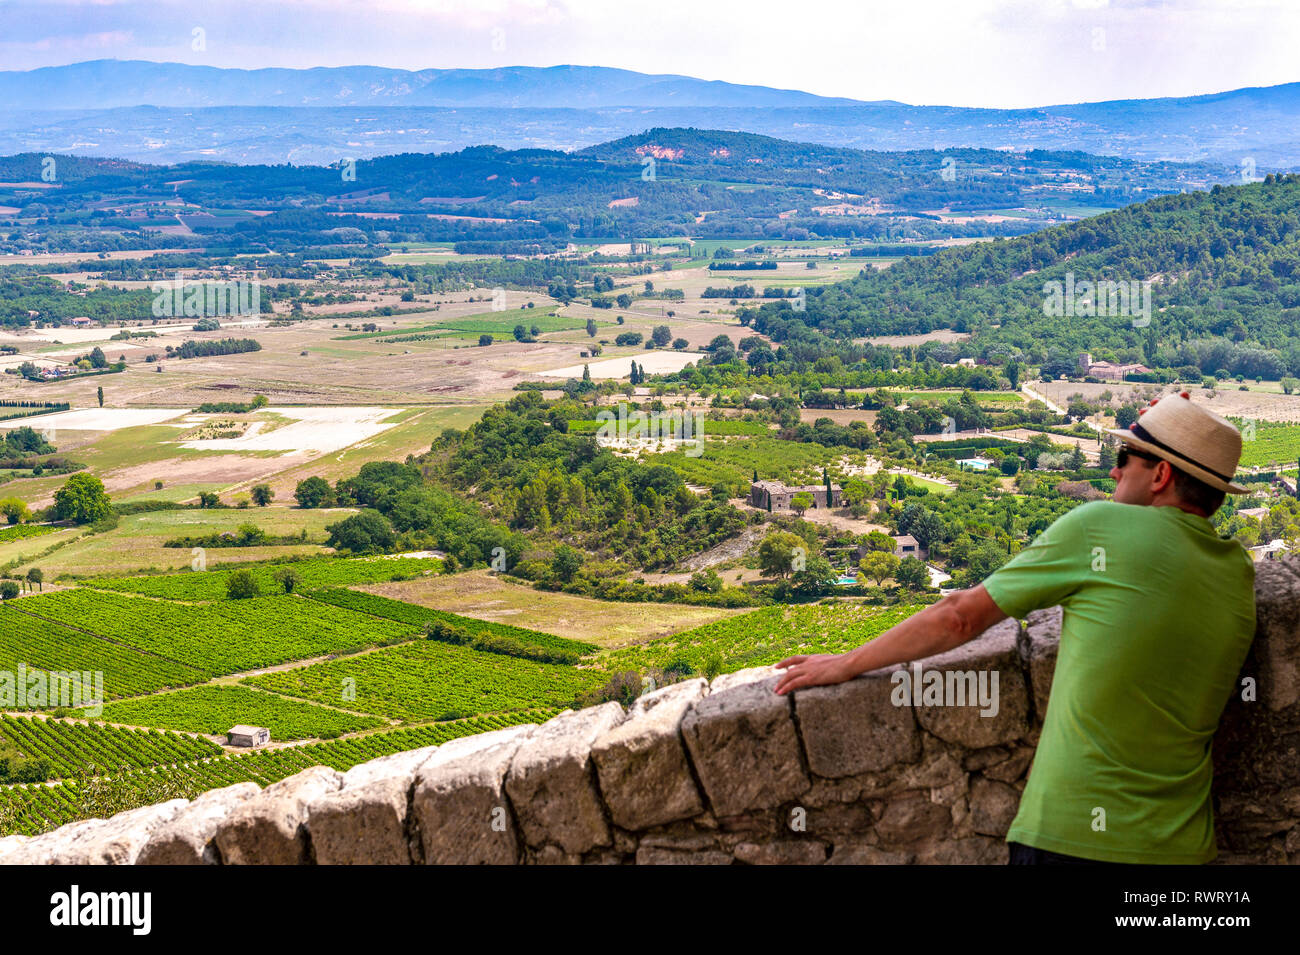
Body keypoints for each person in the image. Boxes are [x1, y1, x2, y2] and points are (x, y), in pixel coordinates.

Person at [774, 392, 1256, 864]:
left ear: (1161, 474)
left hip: (1072, 840)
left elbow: (960, 616)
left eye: (1124, 456)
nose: (1113, 469)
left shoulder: (1102, 528)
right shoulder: (1236, 571)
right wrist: (1175, 422)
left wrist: (846, 662)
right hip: (1184, 849)